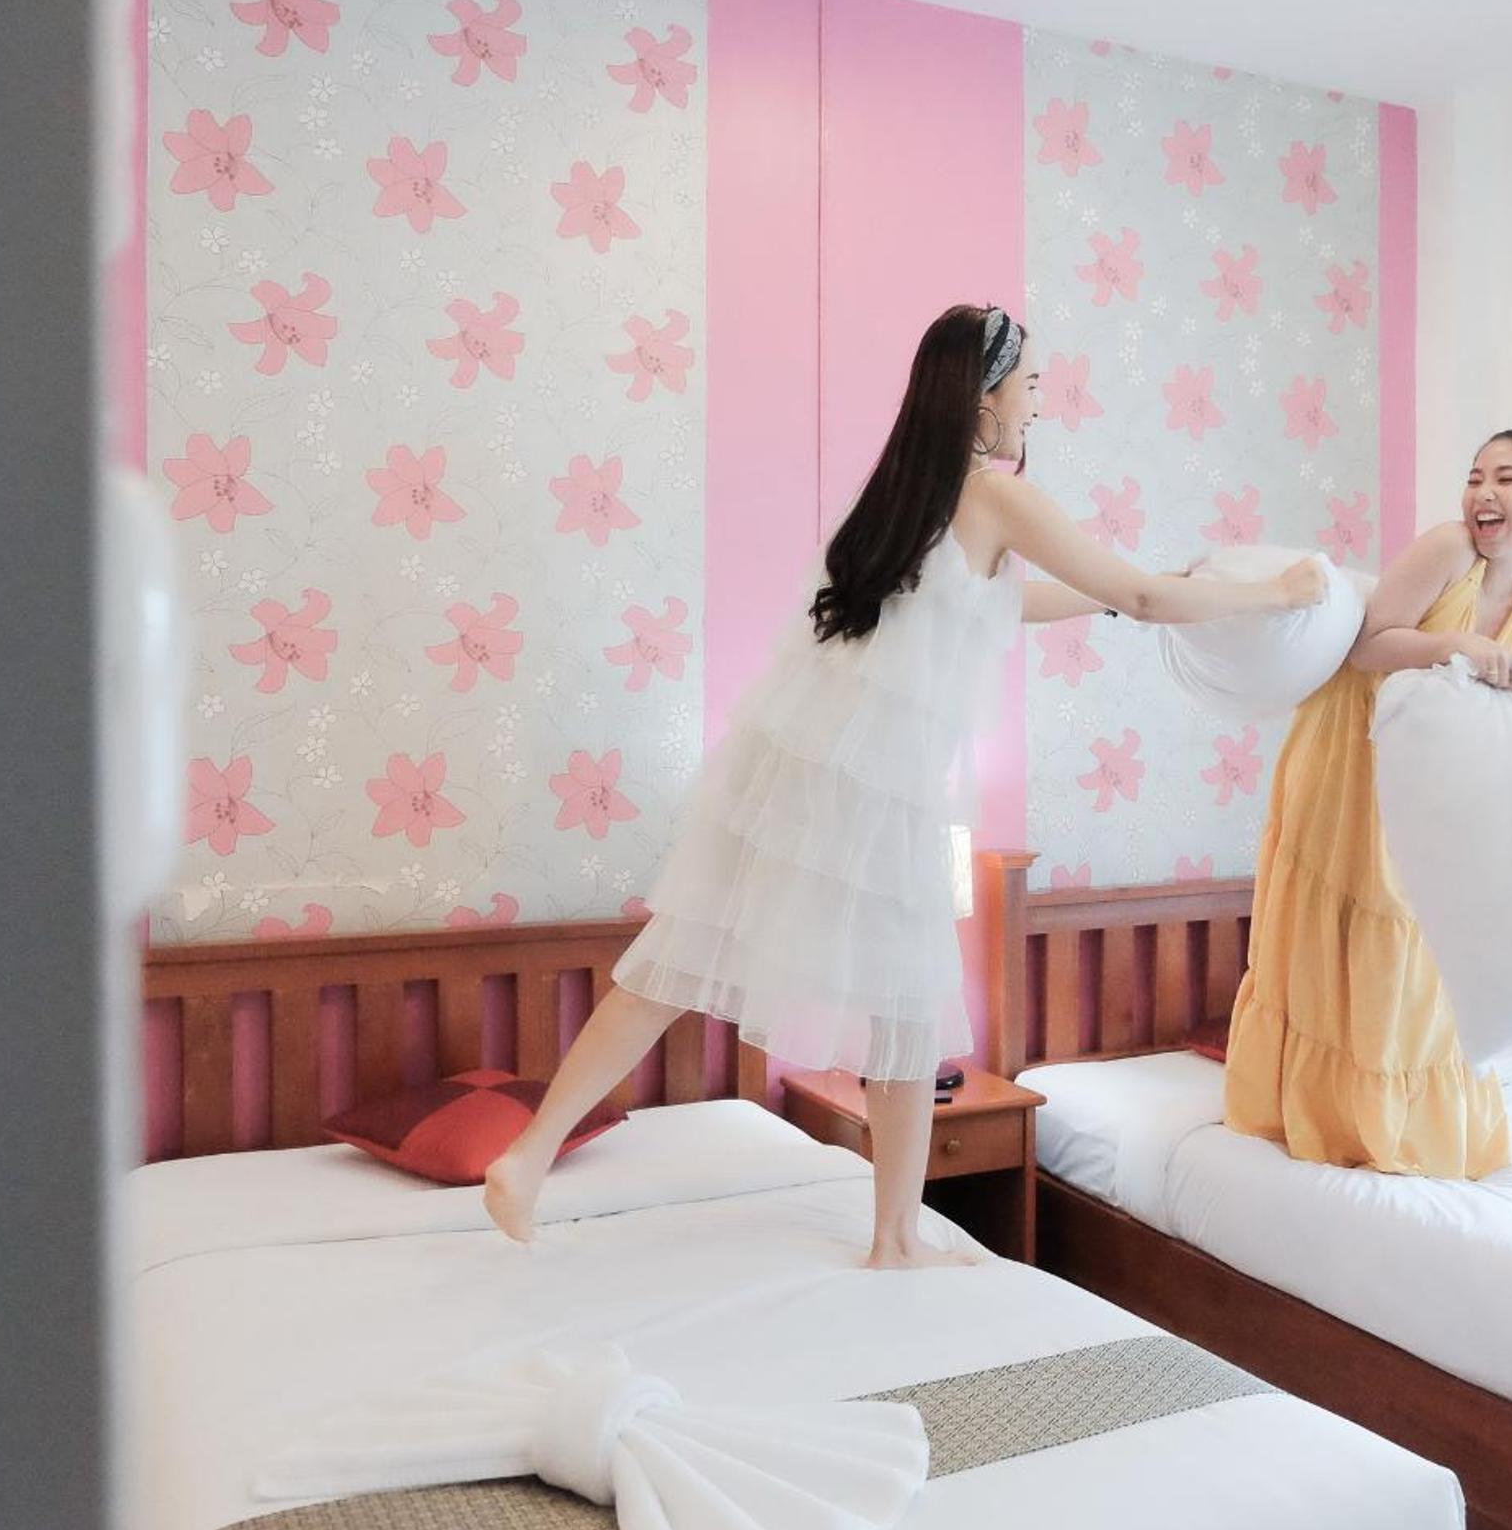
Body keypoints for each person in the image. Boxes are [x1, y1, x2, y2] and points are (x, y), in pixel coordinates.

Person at [486, 303, 1328, 1265]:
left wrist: (1118, 597)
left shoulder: (898, 500)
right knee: (901, 1005)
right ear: (984, 396)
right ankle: (892, 1238)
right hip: (879, 785)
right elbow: (1141, 593)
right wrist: (1275, 593)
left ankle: (531, 1155)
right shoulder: (997, 496)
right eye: (1031, 384)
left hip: (801, 765)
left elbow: (1007, 601)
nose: (1039, 403)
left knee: (684, 966)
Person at [1221, 427, 1512, 1178]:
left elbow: (1507, 697)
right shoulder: (1449, 549)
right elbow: (1369, 647)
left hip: (1436, 765)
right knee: (1346, 923)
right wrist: (1453, 645)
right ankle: (1324, 1111)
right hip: (1350, 748)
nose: (1482, 493)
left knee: (1421, 940)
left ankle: (1401, 1116)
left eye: (1506, 479)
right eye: (1475, 477)